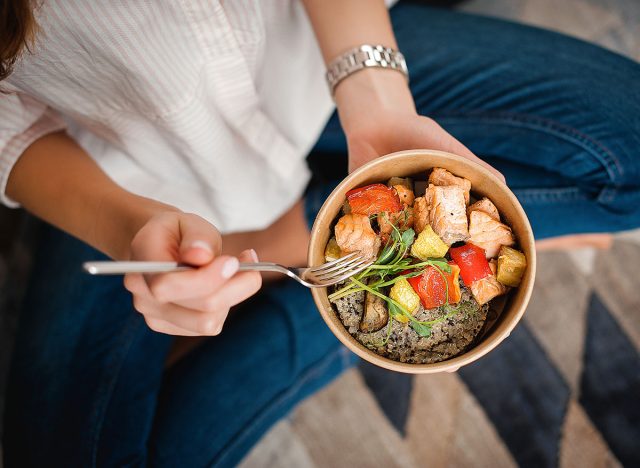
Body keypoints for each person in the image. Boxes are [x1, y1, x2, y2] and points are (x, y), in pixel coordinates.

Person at [1, 0, 639, 466]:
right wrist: (127, 226)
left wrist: (380, 101)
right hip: (130, 169)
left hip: (324, 56)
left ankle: (301, 248)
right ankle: (328, 290)